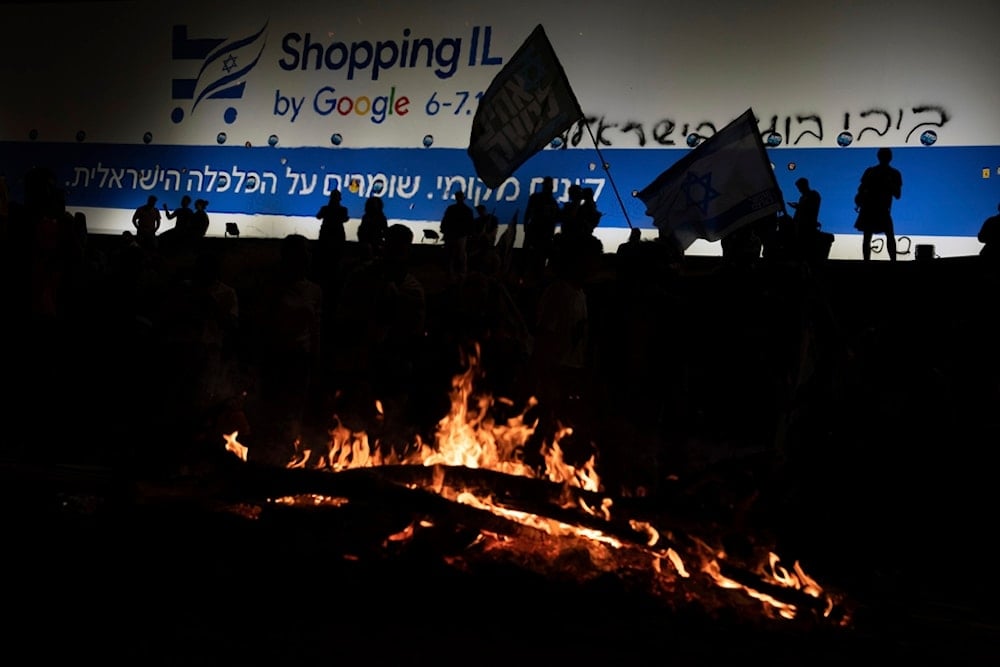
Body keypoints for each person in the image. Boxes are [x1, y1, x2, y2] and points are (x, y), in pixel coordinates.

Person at [854, 147, 902, 261]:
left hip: (875, 209)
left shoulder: (873, 172)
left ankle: (868, 262)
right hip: (874, 209)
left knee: (869, 238)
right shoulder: (893, 173)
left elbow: (860, 190)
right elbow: (898, 195)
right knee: (886, 236)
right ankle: (892, 262)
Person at [315, 189, 349, 286]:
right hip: (335, 237)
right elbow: (344, 219)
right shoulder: (342, 210)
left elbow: (318, 216)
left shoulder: (326, 209)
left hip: (329, 237)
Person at [439, 189, 474, 283]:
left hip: (457, 235)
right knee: (457, 255)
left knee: (456, 255)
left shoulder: (454, 209)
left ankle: (455, 274)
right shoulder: (465, 210)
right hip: (457, 235)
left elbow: (445, 220)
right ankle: (457, 274)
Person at [786, 177, 822, 259]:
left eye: (799, 187)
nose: (799, 190)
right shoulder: (803, 197)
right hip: (799, 226)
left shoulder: (813, 195)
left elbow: (810, 209)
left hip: (807, 226)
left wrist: (798, 206)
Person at [356, 195, 388, 260]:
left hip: (375, 243)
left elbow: (385, 231)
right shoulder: (366, 217)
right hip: (367, 243)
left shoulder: (380, 217)